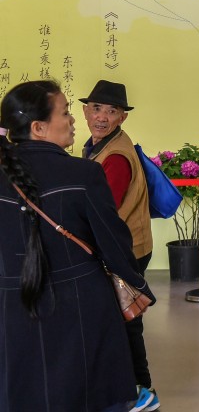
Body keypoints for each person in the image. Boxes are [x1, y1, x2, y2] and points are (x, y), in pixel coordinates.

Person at [0, 80, 155, 412]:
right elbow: (113, 241)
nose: (73, 120)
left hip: (11, 307)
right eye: (66, 112)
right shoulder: (84, 173)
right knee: (85, 392)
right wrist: (136, 286)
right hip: (80, 303)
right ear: (39, 127)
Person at [80, 80, 159, 412]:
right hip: (123, 244)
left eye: (111, 111)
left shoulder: (115, 156)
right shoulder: (99, 144)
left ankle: (141, 387)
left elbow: (103, 209)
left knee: (127, 319)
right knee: (123, 318)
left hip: (126, 249)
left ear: (122, 118)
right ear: (85, 111)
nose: (102, 117)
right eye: (96, 108)